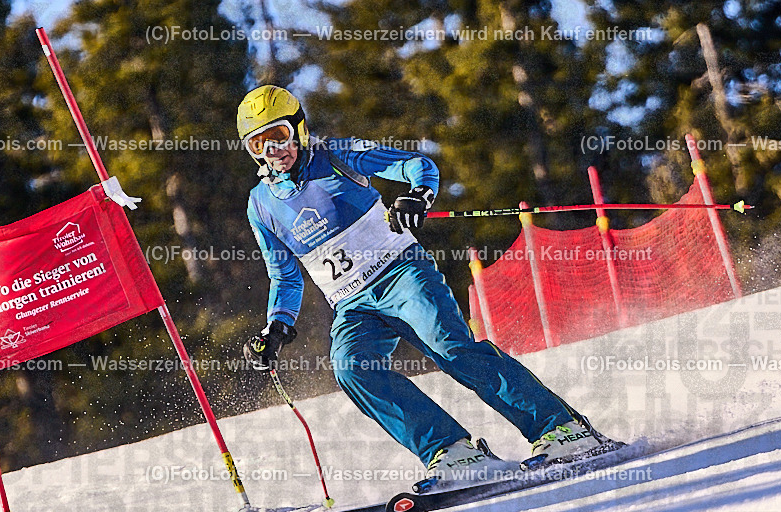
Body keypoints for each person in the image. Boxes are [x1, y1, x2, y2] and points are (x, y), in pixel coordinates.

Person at [238, 84, 620, 484]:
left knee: (449, 347)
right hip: (352, 304)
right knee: (352, 368)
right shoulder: (261, 204)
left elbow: (415, 165)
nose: (272, 151)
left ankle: (561, 429)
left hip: (402, 273)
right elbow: (284, 274)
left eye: (278, 135)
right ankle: (451, 450)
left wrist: (418, 195)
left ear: (298, 129)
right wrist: (277, 326)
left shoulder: (336, 155)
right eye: (258, 144)